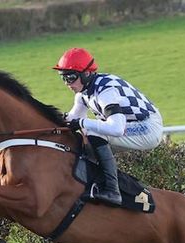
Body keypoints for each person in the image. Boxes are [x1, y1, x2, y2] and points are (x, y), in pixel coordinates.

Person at [53, 47, 164, 206]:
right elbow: (72, 118)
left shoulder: (106, 90)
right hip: (134, 125)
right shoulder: (83, 94)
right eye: (63, 78)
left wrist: (82, 123)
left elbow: (116, 128)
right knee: (86, 142)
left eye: (70, 78)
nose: (67, 84)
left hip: (147, 128)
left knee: (92, 132)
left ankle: (113, 191)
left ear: (86, 74)